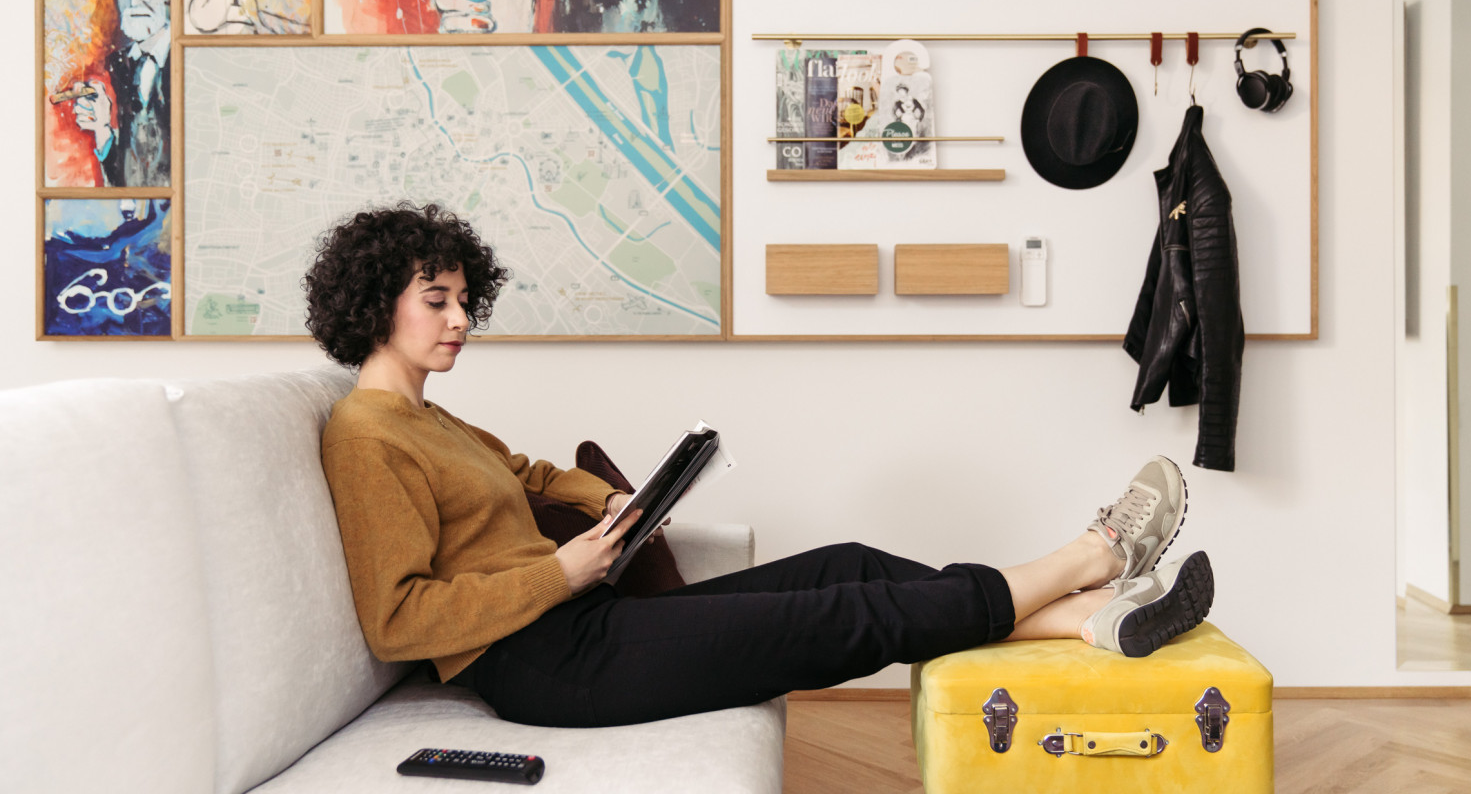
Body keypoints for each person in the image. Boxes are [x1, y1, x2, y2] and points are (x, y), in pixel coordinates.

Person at [305, 203, 1216, 728]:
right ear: (375, 306)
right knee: (846, 616)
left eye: (466, 300)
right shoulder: (364, 435)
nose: (461, 319)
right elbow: (396, 618)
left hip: (580, 617)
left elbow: (533, 475)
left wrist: (619, 504)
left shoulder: (428, 416)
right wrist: (558, 569)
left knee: (847, 564)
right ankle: (1094, 558)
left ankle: (1089, 622)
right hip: (543, 666)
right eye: (438, 301)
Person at [73, 0, 170, 188]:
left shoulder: (190, 63)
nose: (133, 0)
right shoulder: (119, 65)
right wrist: (102, 128)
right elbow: (127, 182)